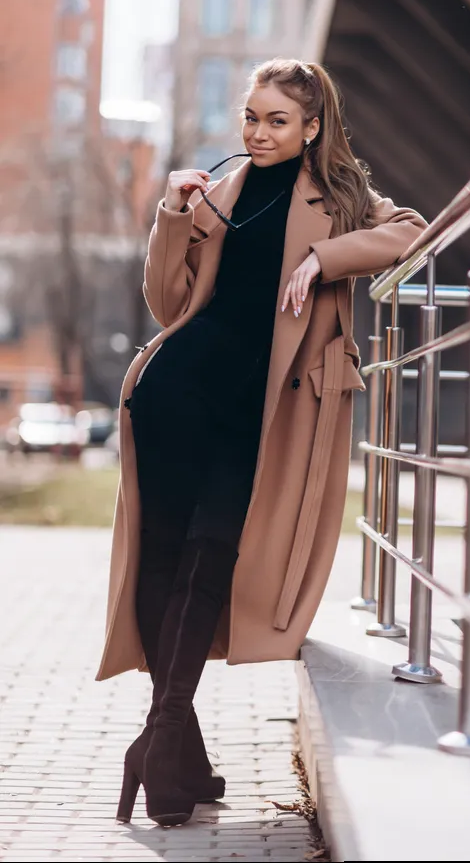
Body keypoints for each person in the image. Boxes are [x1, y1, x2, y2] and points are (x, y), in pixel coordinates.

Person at [95, 58, 427, 827]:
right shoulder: (216, 192)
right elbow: (167, 301)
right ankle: (173, 744)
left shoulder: (342, 198)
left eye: (277, 120)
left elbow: (411, 231)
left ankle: (163, 742)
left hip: (260, 409)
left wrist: (322, 257)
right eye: (250, 116)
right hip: (179, 394)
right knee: (162, 558)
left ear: (312, 127)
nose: (258, 132)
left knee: (211, 558)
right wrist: (172, 216)